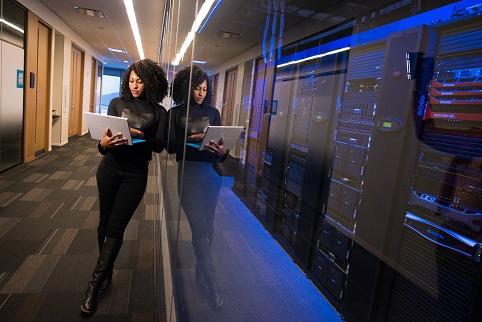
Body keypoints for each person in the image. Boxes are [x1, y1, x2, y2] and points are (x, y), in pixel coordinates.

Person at [80, 58, 168, 314]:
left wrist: (141, 136)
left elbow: (160, 145)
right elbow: (103, 142)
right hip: (109, 168)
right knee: (103, 223)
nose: (134, 86)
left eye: (140, 81)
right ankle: (105, 272)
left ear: (150, 82)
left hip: (135, 174)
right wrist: (103, 145)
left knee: (116, 228)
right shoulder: (116, 103)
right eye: (131, 80)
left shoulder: (159, 112)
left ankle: (94, 286)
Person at [167, 65, 227, 310]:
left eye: (204, 89)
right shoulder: (175, 113)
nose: (201, 93)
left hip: (211, 175)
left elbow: (222, 150)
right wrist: (189, 139)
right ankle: (211, 281)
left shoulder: (214, 113)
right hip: (188, 175)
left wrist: (223, 152)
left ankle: (201, 271)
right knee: (199, 226)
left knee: (208, 227)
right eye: (197, 88)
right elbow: (170, 147)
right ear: (187, 87)